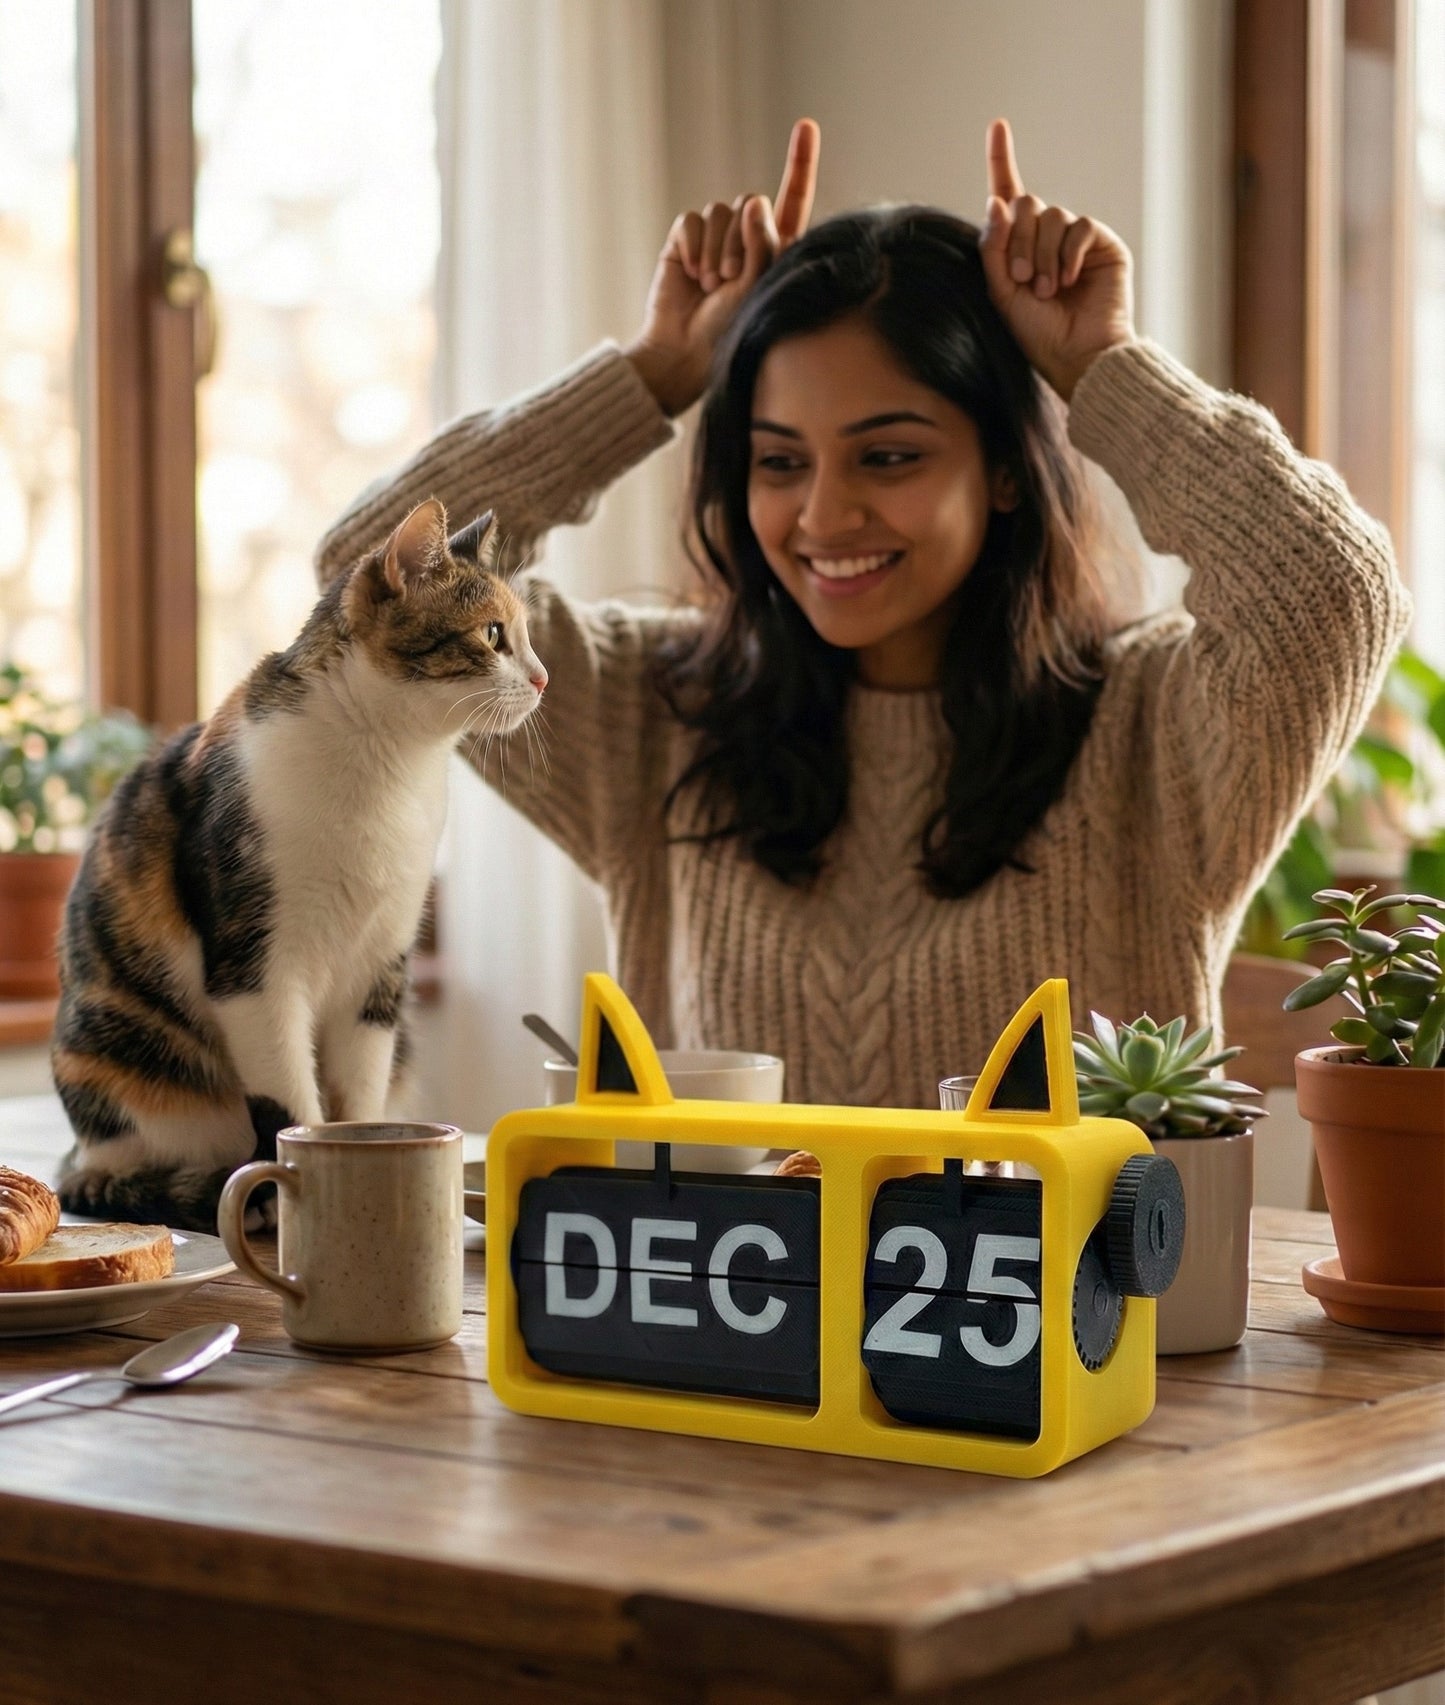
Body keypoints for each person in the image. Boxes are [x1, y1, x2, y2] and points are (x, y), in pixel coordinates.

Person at [315, 119, 1411, 1111]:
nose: (823, 514)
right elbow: (359, 580)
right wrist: (652, 374)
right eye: (778, 461)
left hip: (1073, 1334)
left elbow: (1331, 590)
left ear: (1004, 473)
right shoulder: (651, 714)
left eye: (888, 455)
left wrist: (1097, 366)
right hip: (730, 1328)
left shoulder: (1154, 733)